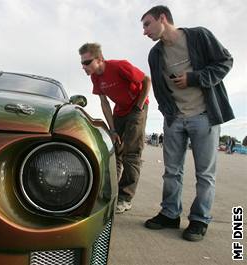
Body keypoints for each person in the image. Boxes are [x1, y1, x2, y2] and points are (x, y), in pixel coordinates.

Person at [141, 5, 234, 241]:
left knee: (205, 175)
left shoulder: (198, 35)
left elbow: (225, 61)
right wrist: (166, 113)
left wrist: (194, 78)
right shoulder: (155, 54)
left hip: (204, 116)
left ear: (163, 18)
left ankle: (199, 220)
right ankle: (170, 214)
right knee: (171, 172)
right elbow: (160, 89)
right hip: (175, 119)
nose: (144, 31)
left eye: (147, 24)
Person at [78, 43, 151, 214]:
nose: (84, 67)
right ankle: (112, 192)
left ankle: (125, 198)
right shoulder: (95, 77)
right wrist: (112, 130)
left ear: (100, 59)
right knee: (115, 149)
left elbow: (147, 81)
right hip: (119, 110)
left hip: (136, 106)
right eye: (82, 63)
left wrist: (139, 106)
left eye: (87, 62)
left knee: (131, 152)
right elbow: (104, 103)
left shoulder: (119, 66)